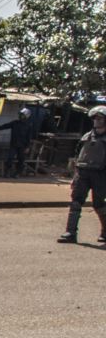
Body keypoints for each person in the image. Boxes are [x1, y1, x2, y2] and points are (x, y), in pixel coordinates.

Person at [58, 105, 106, 244]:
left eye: (100, 118)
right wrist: (75, 175)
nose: (97, 121)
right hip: (83, 173)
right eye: (95, 118)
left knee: (99, 205)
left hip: (101, 175)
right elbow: (78, 155)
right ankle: (70, 233)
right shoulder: (87, 136)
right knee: (75, 202)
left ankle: (105, 232)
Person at [0, 107, 35, 178]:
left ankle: (17, 173)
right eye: (20, 115)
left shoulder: (28, 125)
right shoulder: (15, 123)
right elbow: (4, 126)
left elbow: (29, 137)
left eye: (22, 115)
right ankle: (7, 172)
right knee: (10, 158)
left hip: (22, 146)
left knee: (21, 160)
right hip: (13, 144)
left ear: (26, 116)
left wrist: (28, 147)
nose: (20, 116)